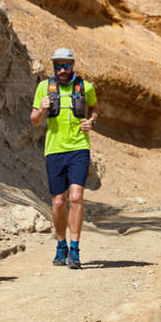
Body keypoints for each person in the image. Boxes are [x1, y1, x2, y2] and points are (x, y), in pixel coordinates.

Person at [30, 48, 98, 269]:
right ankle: (61, 245)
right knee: (59, 201)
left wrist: (91, 121)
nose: (61, 70)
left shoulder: (85, 87)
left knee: (76, 197)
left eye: (65, 65)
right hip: (54, 150)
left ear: (72, 65)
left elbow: (95, 107)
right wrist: (42, 109)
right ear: (53, 66)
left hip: (79, 148)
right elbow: (34, 120)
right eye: (58, 65)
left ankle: (75, 250)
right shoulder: (44, 88)